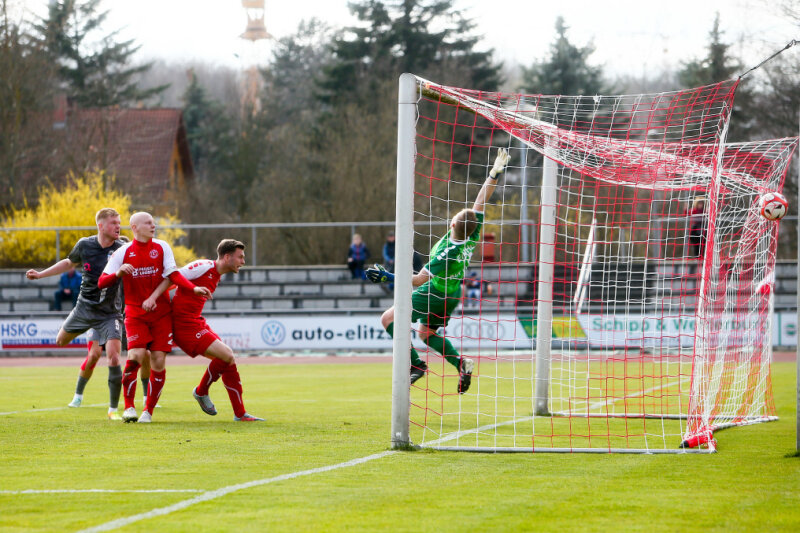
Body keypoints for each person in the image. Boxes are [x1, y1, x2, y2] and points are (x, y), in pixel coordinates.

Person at [366, 148, 510, 393]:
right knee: (426, 333)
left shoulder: (447, 253)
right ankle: (460, 363)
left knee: (388, 319)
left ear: (453, 223)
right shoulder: (472, 233)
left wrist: (386, 276)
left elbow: (419, 279)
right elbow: (480, 201)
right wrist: (494, 173)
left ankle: (416, 365)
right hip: (452, 295)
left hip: (434, 292)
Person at [98, 212, 211, 423]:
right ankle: (129, 407)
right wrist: (119, 274)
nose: (153, 225)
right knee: (136, 357)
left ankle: (148, 411)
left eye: (153, 222)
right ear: (134, 227)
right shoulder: (123, 253)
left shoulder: (162, 247)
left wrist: (193, 288)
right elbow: (101, 282)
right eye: (148, 222)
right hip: (135, 314)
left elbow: (173, 275)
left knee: (158, 360)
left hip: (161, 315)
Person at [145, 239, 263, 421]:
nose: (243, 262)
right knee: (227, 355)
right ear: (227, 256)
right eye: (240, 257)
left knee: (228, 361)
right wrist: (153, 299)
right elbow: (172, 277)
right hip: (184, 326)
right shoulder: (203, 266)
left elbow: (179, 283)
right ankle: (201, 392)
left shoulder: (216, 274)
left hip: (196, 322)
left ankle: (240, 413)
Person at [26, 208, 126, 419]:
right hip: (84, 307)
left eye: (119, 222)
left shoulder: (122, 248)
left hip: (110, 313)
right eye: (113, 223)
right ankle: (78, 395)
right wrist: (41, 274)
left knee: (114, 357)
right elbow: (68, 263)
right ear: (101, 225)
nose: (118, 226)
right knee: (60, 342)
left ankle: (113, 410)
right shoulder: (85, 245)